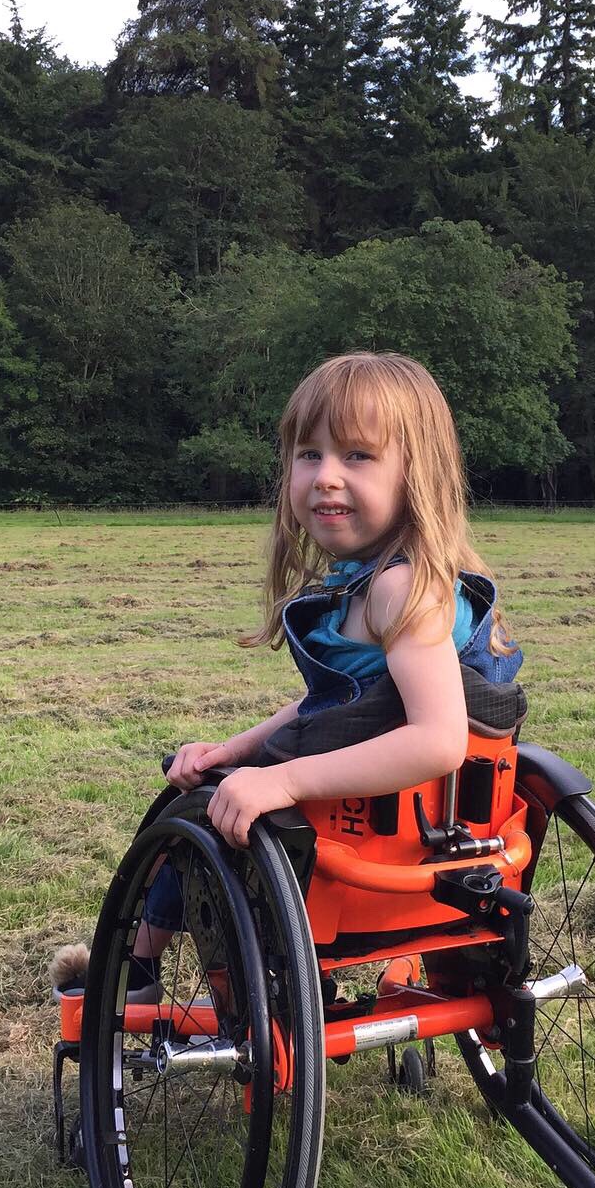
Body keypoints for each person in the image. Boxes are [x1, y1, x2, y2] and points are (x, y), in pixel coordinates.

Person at [118, 351, 523, 1002]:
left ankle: (147, 971)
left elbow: (438, 740)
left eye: (357, 457)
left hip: (357, 844)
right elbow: (336, 704)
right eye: (309, 455)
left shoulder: (398, 593)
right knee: (210, 778)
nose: (325, 478)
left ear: (417, 474)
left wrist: (276, 778)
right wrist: (236, 750)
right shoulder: (391, 584)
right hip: (428, 845)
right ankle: (145, 963)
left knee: (195, 818)